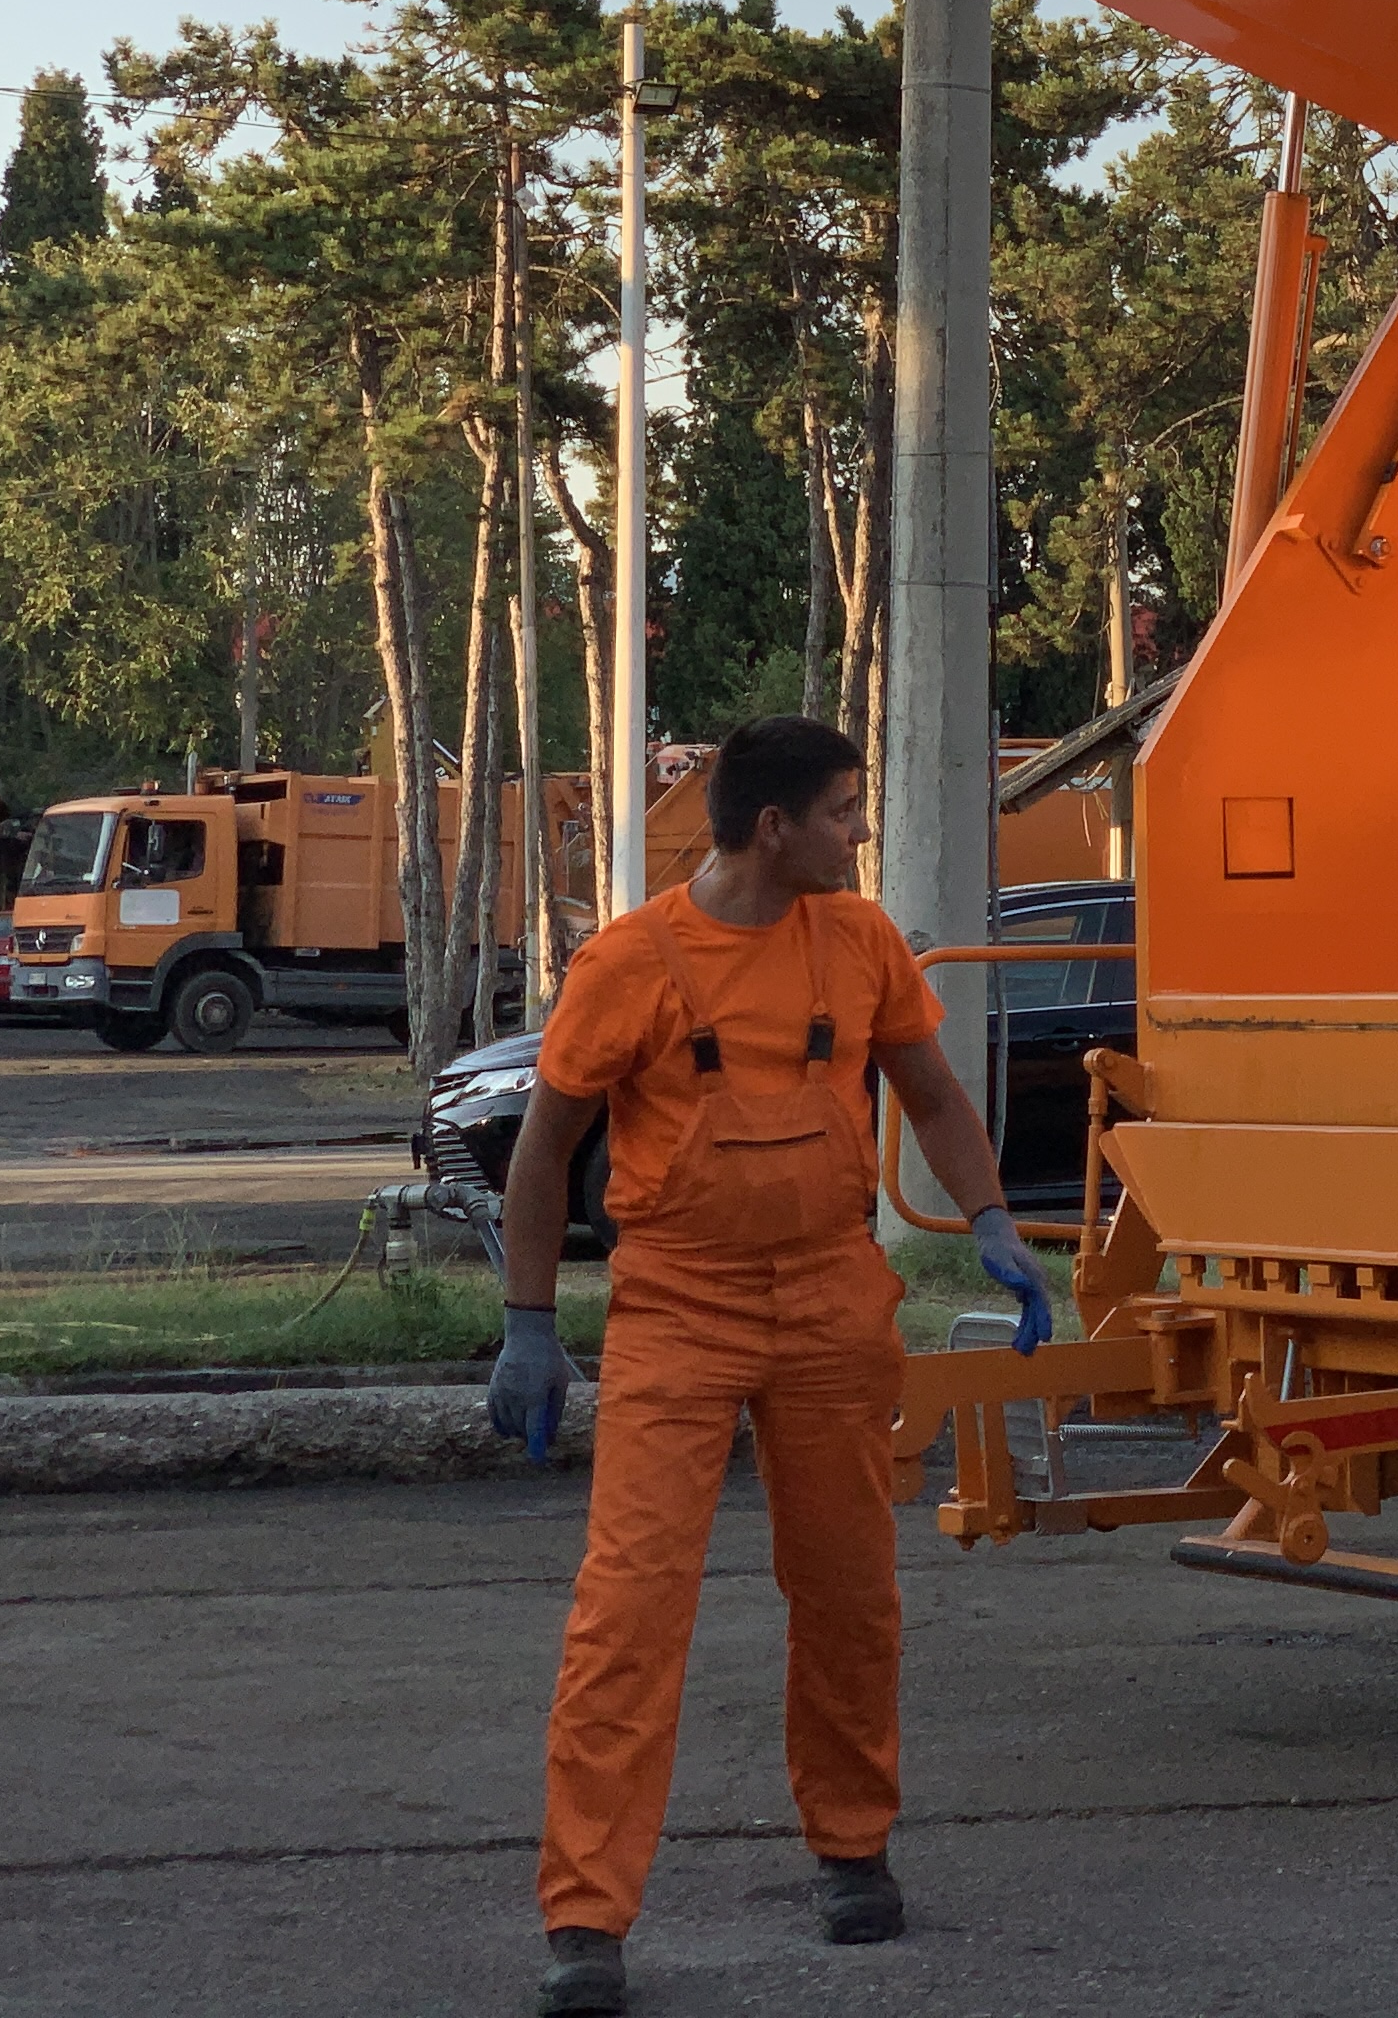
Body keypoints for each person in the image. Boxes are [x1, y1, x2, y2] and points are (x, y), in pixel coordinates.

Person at [484, 714, 1053, 2017]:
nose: (862, 830)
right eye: (847, 810)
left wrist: (990, 1221)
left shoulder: (859, 946)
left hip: (834, 1303)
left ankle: (853, 1849)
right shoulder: (629, 964)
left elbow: (930, 1094)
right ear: (774, 828)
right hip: (678, 1314)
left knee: (851, 1594)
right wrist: (528, 1323)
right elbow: (540, 1152)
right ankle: (586, 1920)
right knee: (629, 1616)